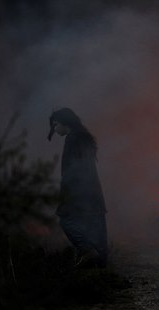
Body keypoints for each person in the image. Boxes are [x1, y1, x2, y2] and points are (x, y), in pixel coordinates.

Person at [48, 108, 108, 267]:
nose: (54, 129)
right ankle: (98, 262)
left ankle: (88, 251)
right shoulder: (82, 137)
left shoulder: (72, 139)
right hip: (92, 192)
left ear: (64, 122)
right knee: (94, 226)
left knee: (66, 221)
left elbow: (71, 170)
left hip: (80, 191)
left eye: (55, 125)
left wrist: (66, 193)